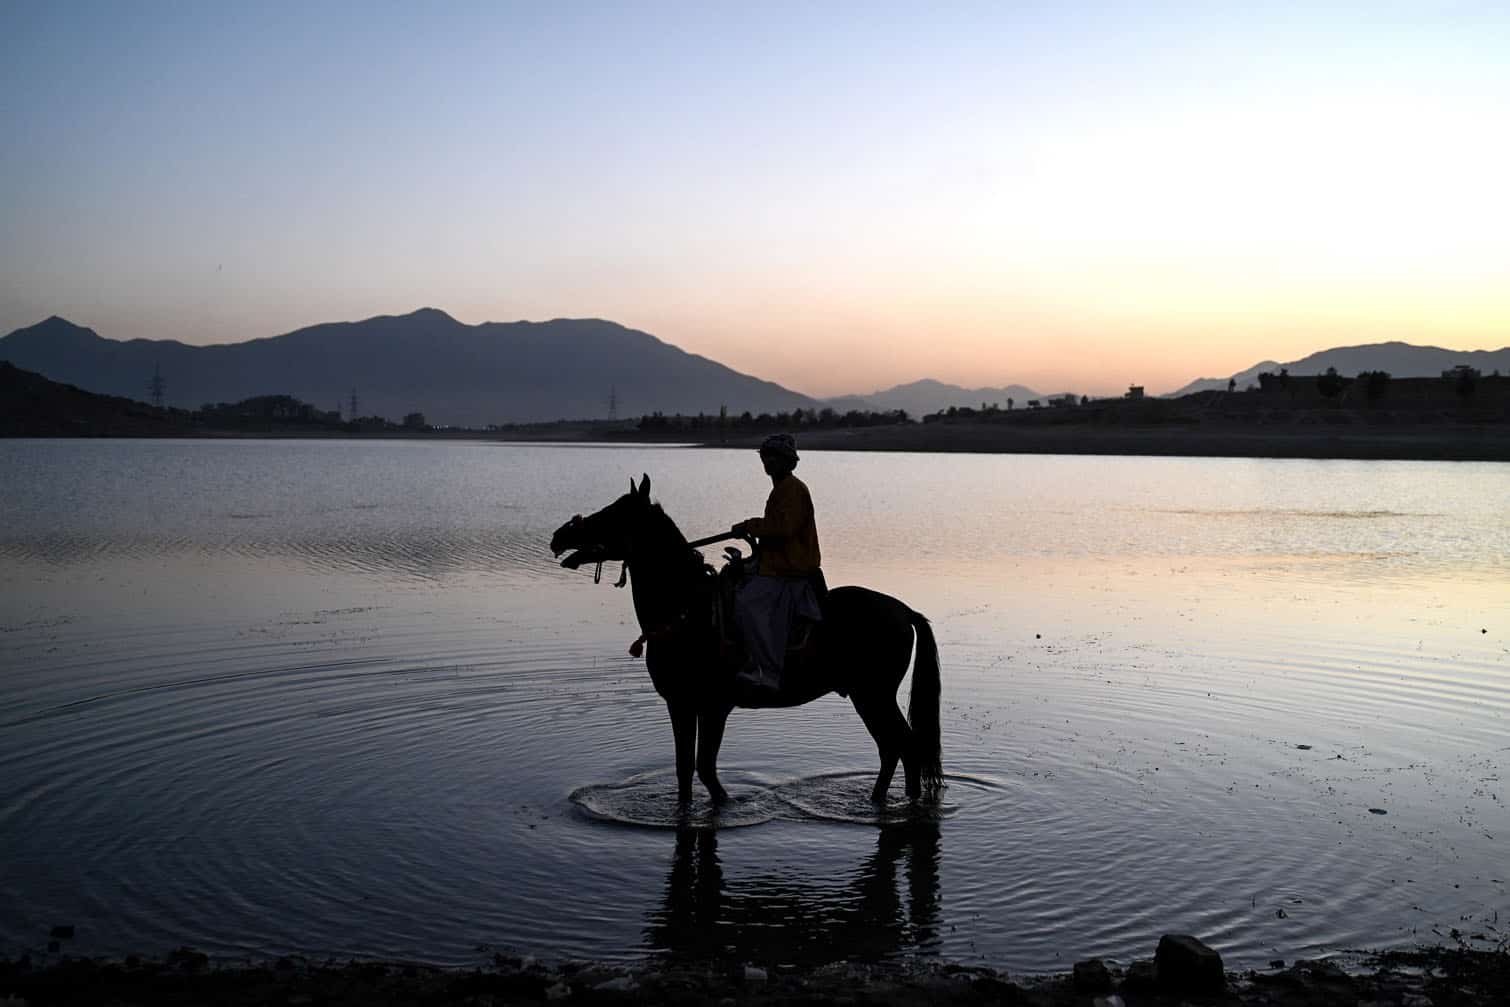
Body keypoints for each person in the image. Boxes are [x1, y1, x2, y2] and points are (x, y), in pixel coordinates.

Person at [730, 433, 823, 692]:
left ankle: (769, 671)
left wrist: (750, 526)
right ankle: (749, 658)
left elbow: (783, 529)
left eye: (774, 458)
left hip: (790, 570)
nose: (768, 462)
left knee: (748, 604)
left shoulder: (793, 489)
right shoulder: (780, 489)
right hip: (777, 566)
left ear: (787, 461)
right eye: (765, 457)